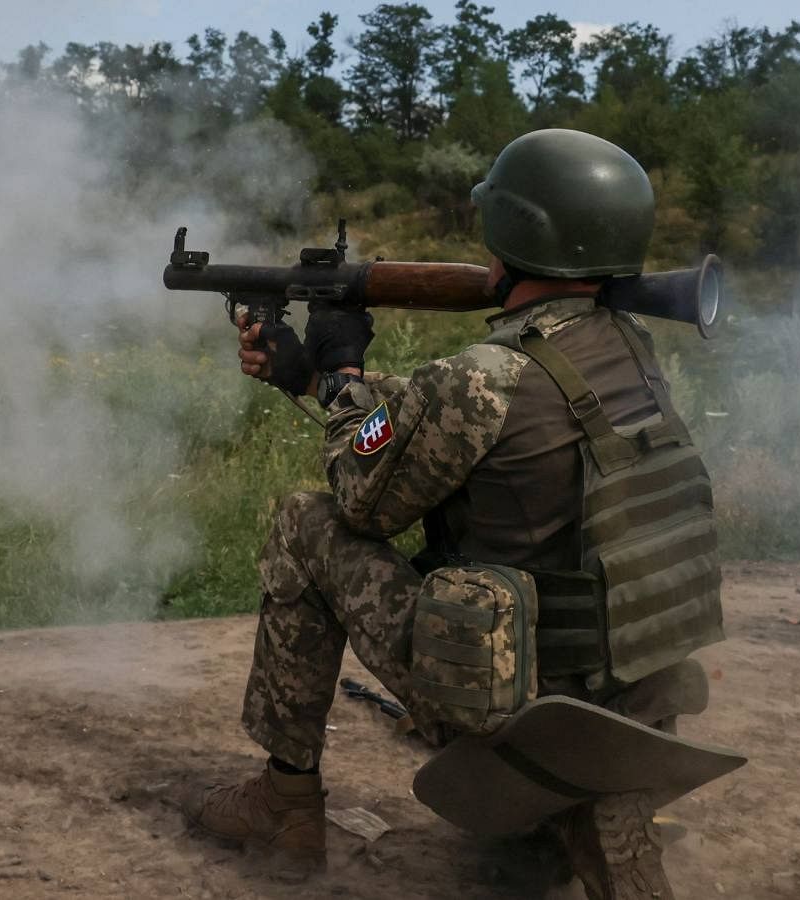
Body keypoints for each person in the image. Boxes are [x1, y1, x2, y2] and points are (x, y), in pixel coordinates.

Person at [177, 128, 724, 900]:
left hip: (515, 698)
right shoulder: (628, 346)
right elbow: (467, 415)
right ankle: (563, 816)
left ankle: (284, 803)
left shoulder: (482, 378)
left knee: (306, 521)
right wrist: (329, 381)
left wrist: (336, 376)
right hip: (626, 692)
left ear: (514, 233)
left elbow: (363, 501)